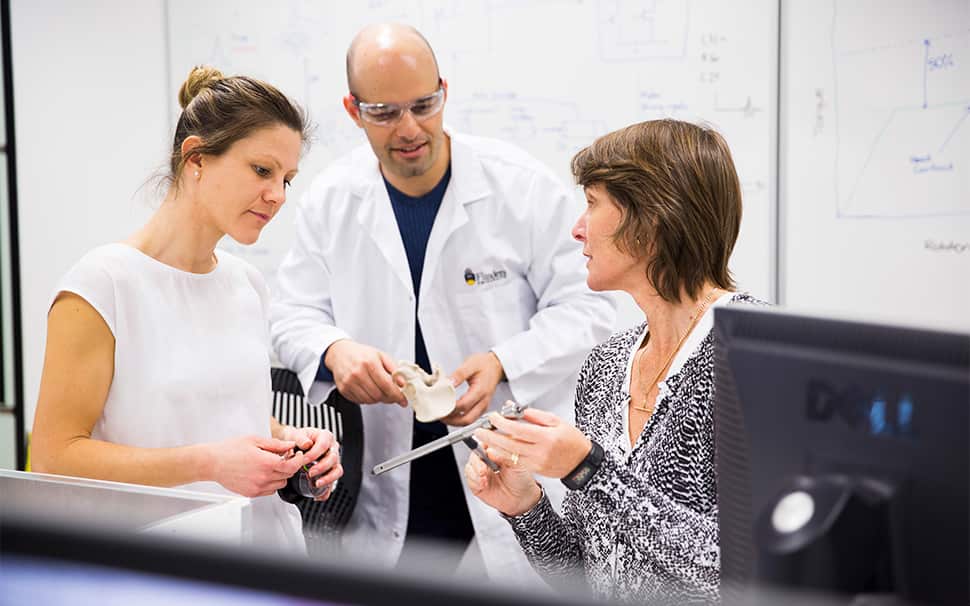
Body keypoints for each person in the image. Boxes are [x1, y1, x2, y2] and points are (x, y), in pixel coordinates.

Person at [268, 23, 615, 579]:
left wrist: (503, 362)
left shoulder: (519, 188)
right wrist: (334, 350)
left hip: (512, 471)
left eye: (423, 105)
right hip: (389, 477)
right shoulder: (331, 202)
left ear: (444, 92)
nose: (409, 128)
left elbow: (591, 309)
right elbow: (291, 314)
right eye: (384, 112)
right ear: (353, 110)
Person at [31, 66, 343, 552]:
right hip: (161, 563)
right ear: (195, 157)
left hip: (266, 553)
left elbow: (225, 414)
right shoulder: (101, 286)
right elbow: (54, 459)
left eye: (287, 179)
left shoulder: (247, 283)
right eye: (262, 171)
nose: (278, 195)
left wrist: (293, 443)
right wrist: (208, 464)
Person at [465, 119, 764, 603]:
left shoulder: (753, 355)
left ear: (651, 219)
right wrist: (525, 506)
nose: (577, 229)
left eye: (592, 203)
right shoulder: (606, 366)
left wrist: (588, 469)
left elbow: (745, 572)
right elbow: (585, 574)